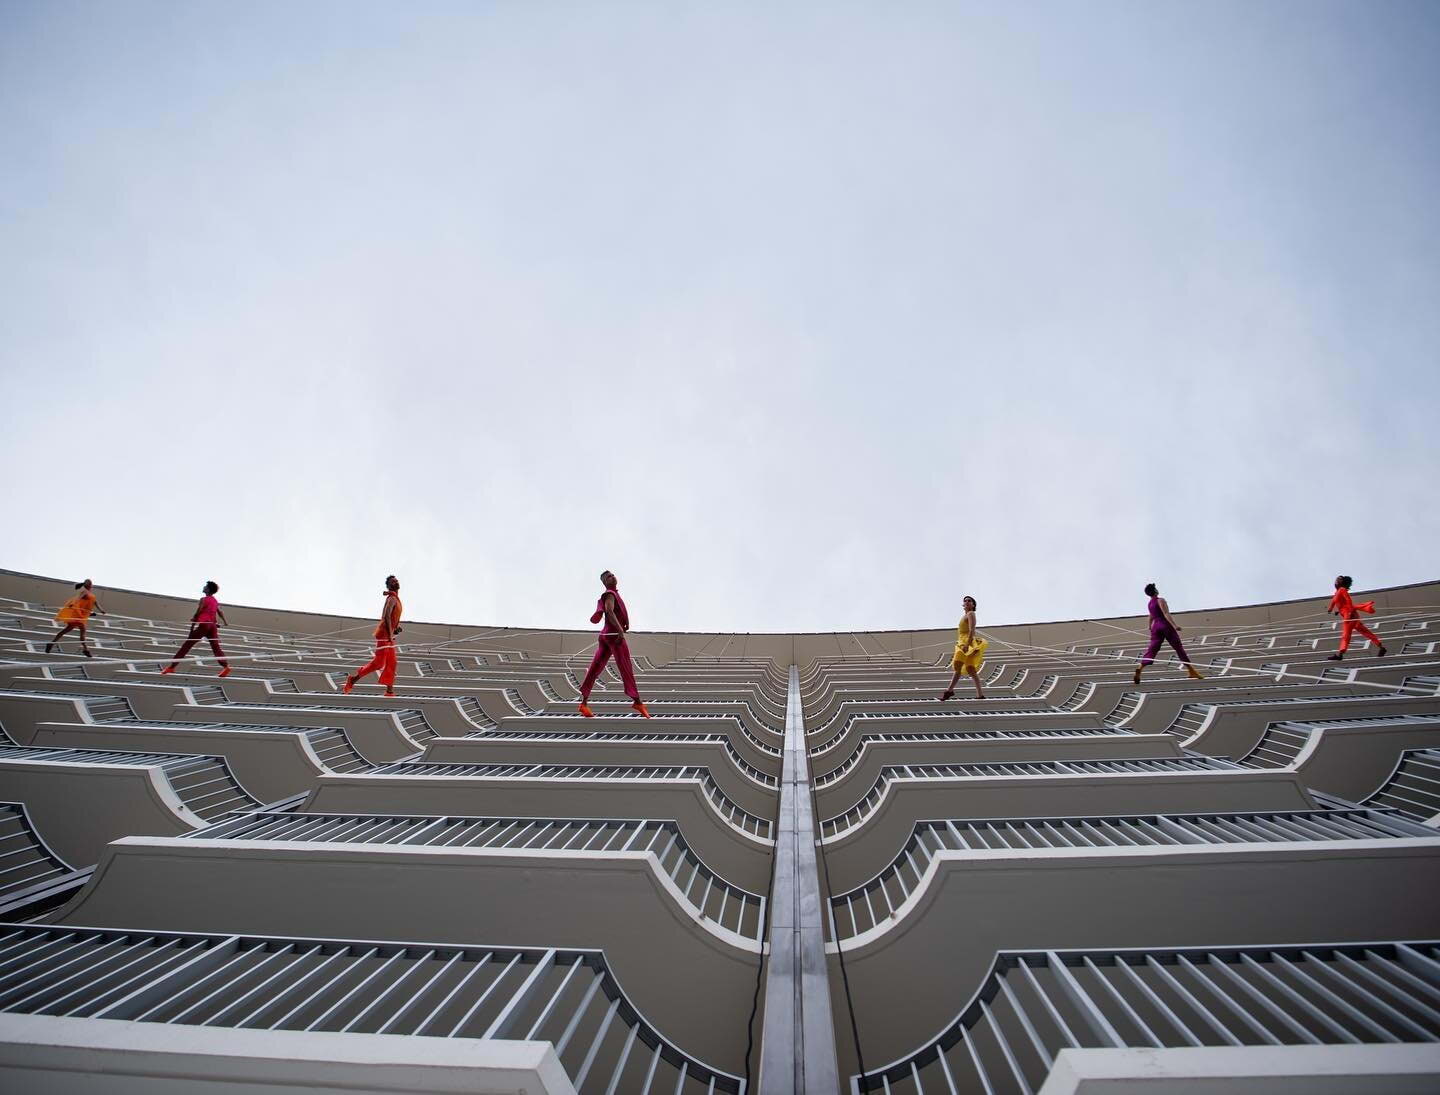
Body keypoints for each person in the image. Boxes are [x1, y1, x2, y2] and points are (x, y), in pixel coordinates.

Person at [578, 570, 650, 718]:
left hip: (604, 636)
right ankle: (637, 701)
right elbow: (609, 611)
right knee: (625, 667)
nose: (612, 577)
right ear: (605, 582)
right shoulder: (610, 593)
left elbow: (615, 612)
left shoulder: (613, 594)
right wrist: (619, 630)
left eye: (613, 574)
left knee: (595, 668)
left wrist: (624, 625)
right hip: (613, 635)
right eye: (608, 577)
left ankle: (583, 703)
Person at [343, 575, 403, 697]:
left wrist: (396, 628)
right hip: (385, 635)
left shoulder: (396, 599)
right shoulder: (391, 598)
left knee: (392, 662)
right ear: (389, 586)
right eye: (393, 581)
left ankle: (389, 691)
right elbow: (386, 615)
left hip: (390, 635)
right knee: (379, 663)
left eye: (396, 580)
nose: (395, 582)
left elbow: (391, 617)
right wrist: (391, 634)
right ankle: (353, 679)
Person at [1133, 582, 1204, 684]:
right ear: (1155, 591)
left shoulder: (1150, 604)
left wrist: (1150, 626)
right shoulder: (1160, 600)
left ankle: (1140, 667)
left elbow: (1151, 616)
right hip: (1165, 625)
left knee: (1152, 649)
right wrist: (1175, 625)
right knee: (1178, 648)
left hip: (1155, 627)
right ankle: (1191, 671)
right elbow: (1166, 613)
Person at [160, 581, 231, 677]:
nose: (204, 587)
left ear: (208, 589)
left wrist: (194, 621)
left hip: (205, 625)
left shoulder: (203, 599)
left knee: (186, 646)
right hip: (212, 626)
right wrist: (225, 622)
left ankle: (172, 667)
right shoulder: (215, 601)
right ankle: (226, 666)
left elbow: (199, 610)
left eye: (205, 586)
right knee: (216, 647)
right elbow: (220, 612)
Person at [1327, 575, 1386, 660]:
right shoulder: (1337, 593)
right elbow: (1335, 603)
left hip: (1349, 615)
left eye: (1338, 580)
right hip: (1349, 614)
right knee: (1364, 631)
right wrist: (1331, 609)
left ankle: (1340, 654)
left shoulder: (1342, 590)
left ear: (1341, 582)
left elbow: (1348, 600)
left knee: (1346, 634)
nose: (1335, 581)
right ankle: (1381, 647)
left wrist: (1350, 611)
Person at [939, 595, 987, 700]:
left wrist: (967, 645)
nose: (967, 602)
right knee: (970, 669)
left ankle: (949, 690)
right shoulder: (965, 616)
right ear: (963, 605)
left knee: (958, 664)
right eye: (965, 601)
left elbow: (971, 630)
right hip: (964, 643)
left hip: (966, 644)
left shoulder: (971, 613)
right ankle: (980, 694)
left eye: (970, 601)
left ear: (973, 605)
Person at [46, 579, 106, 658]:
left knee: (67, 630)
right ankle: (85, 649)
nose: (92, 584)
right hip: (78, 616)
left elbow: (95, 603)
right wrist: (73, 604)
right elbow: (78, 598)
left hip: (82, 616)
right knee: (81, 632)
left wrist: (101, 610)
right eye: (91, 583)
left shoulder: (92, 595)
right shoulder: (84, 592)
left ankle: (51, 643)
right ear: (89, 585)